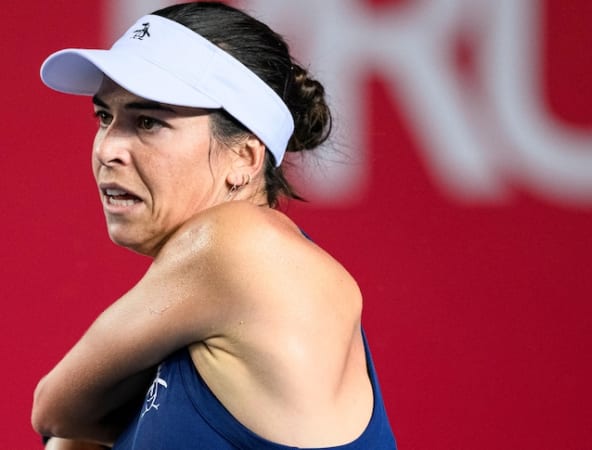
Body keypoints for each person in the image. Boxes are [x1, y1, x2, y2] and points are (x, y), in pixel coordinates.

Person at [32, 2, 396, 449]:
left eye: (148, 122)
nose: (108, 149)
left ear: (244, 156)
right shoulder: (224, 295)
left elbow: (53, 407)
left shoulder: (238, 244)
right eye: (105, 117)